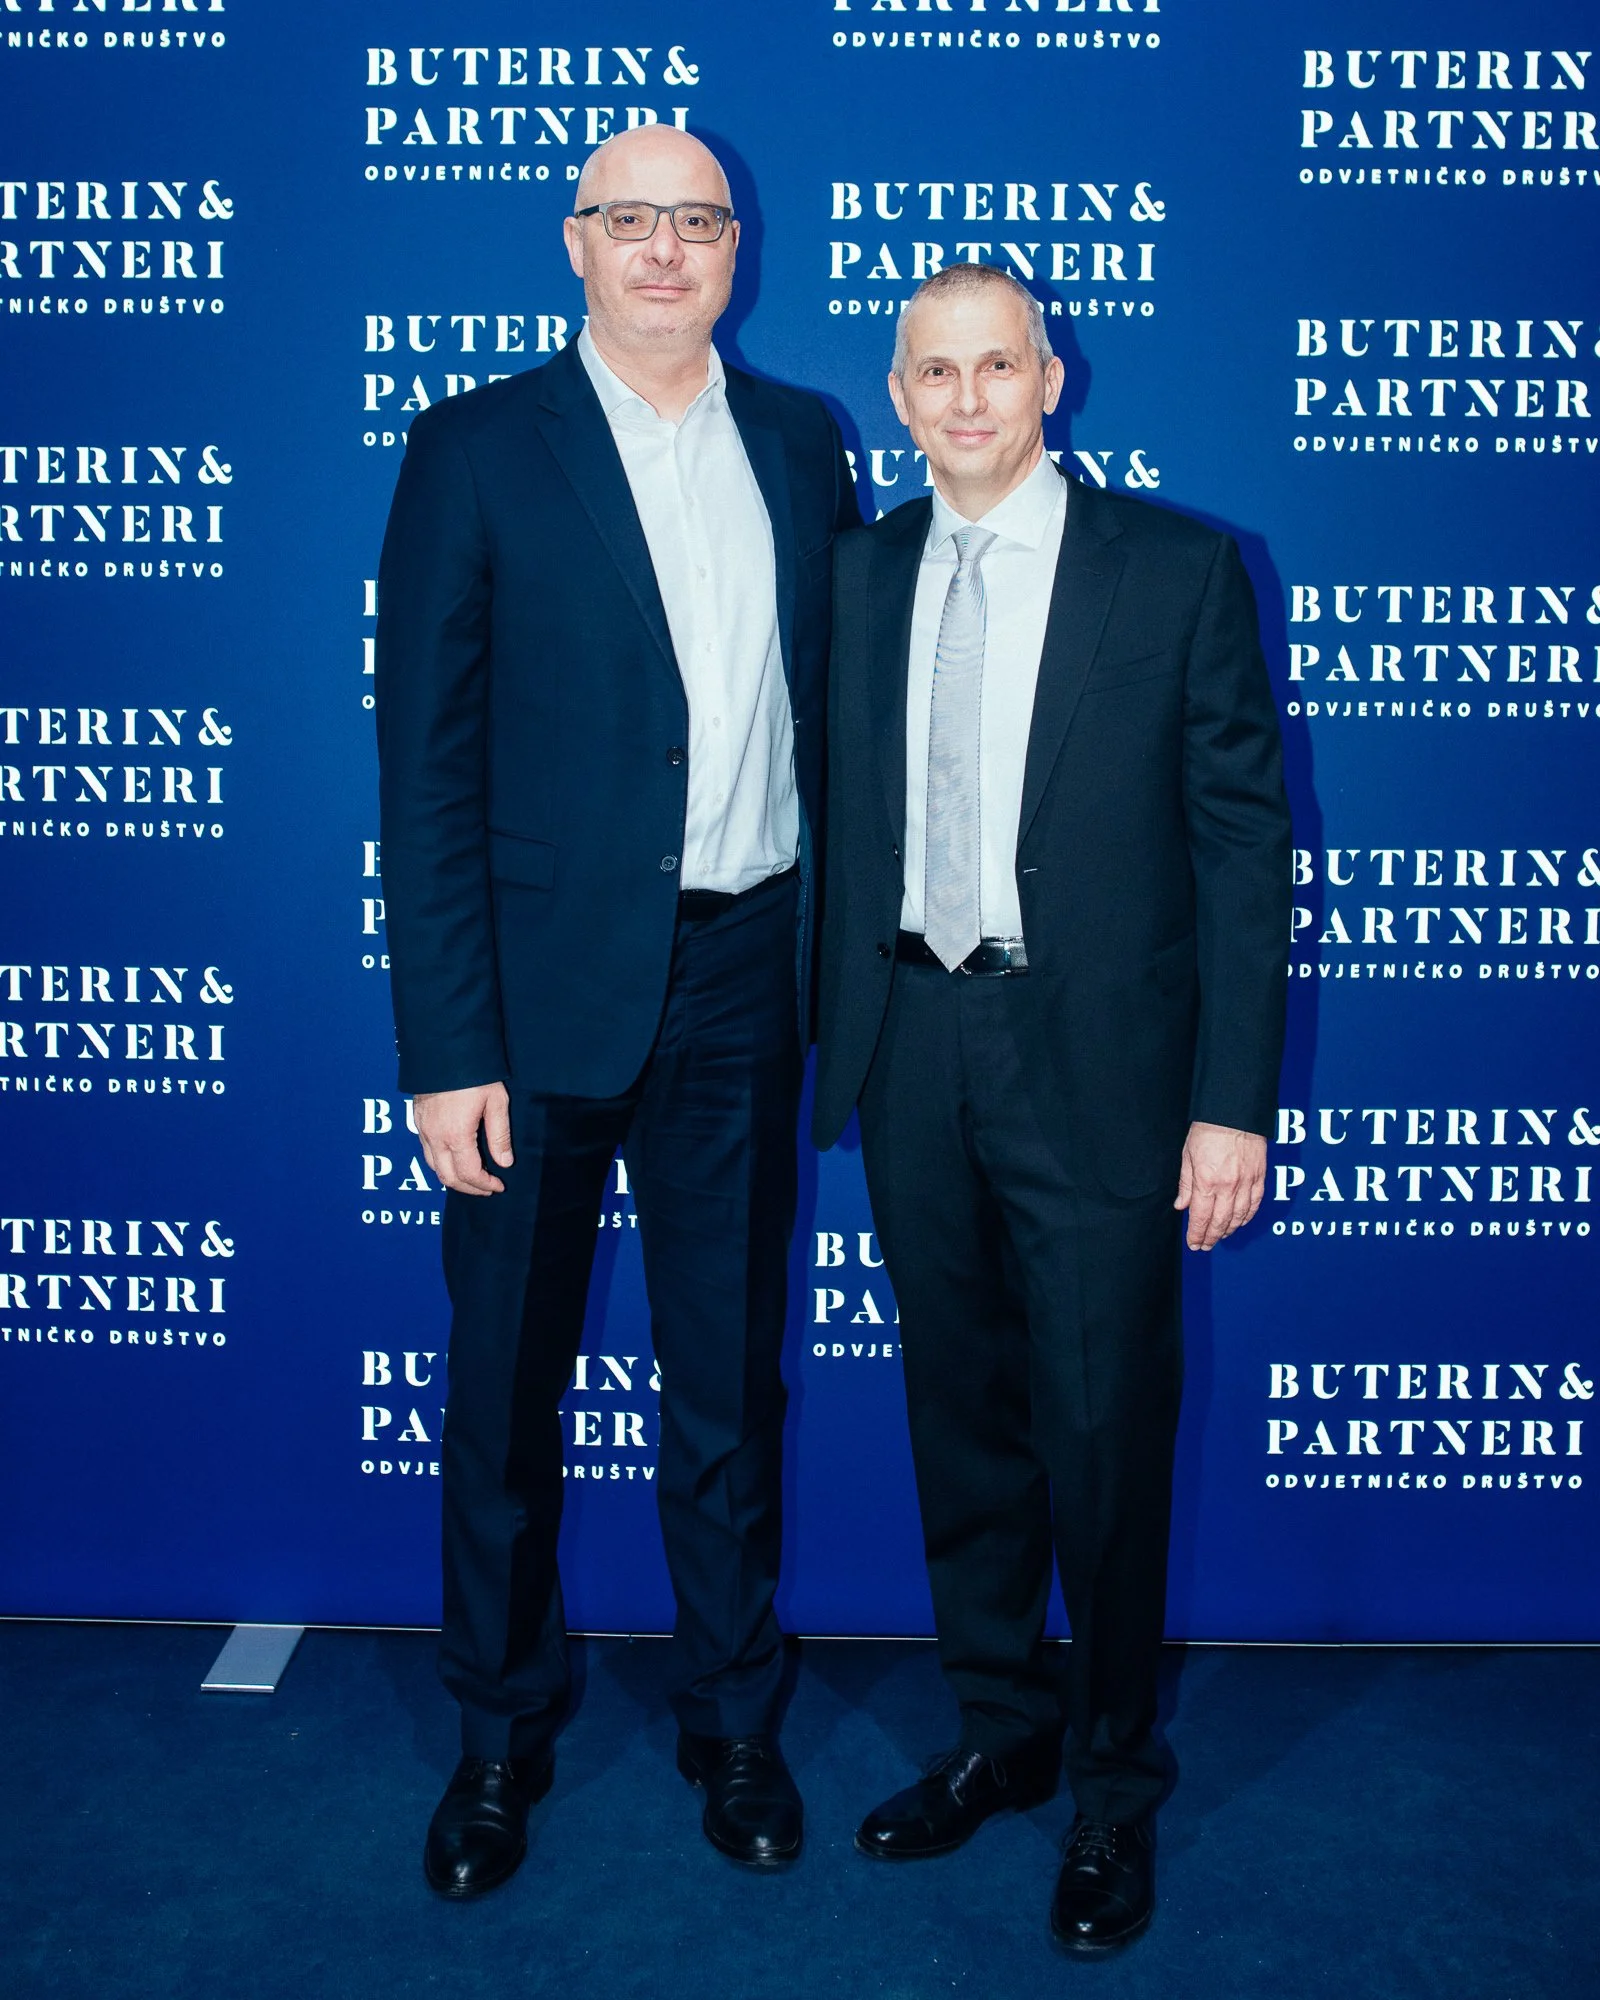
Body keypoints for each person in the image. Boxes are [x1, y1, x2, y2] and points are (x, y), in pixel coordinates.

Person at [375, 124, 859, 1897]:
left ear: (738, 247)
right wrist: (450, 1047)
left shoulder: (801, 442)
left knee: (726, 1380)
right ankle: (500, 1739)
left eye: (697, 220)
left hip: (746, 975)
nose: (666, 248)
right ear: (574, 242)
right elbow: (424, 773)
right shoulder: (475, 447)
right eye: (630, 218)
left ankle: (732, 1717)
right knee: (504, 1394)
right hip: (533, 999)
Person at [813, 264, 1291, 1956]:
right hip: (909, 1044)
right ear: (898, 393)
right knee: (962, 1421)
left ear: (1051, 377)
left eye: (995, 366)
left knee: (1103, 1434)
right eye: (934, 372)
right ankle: (1000, 1731)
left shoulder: (1175, 569)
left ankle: (1112, 1788)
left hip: (1099, 1067)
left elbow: (1243, 853)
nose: (966, 399)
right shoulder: (858, 574)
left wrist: (1230, 1104)